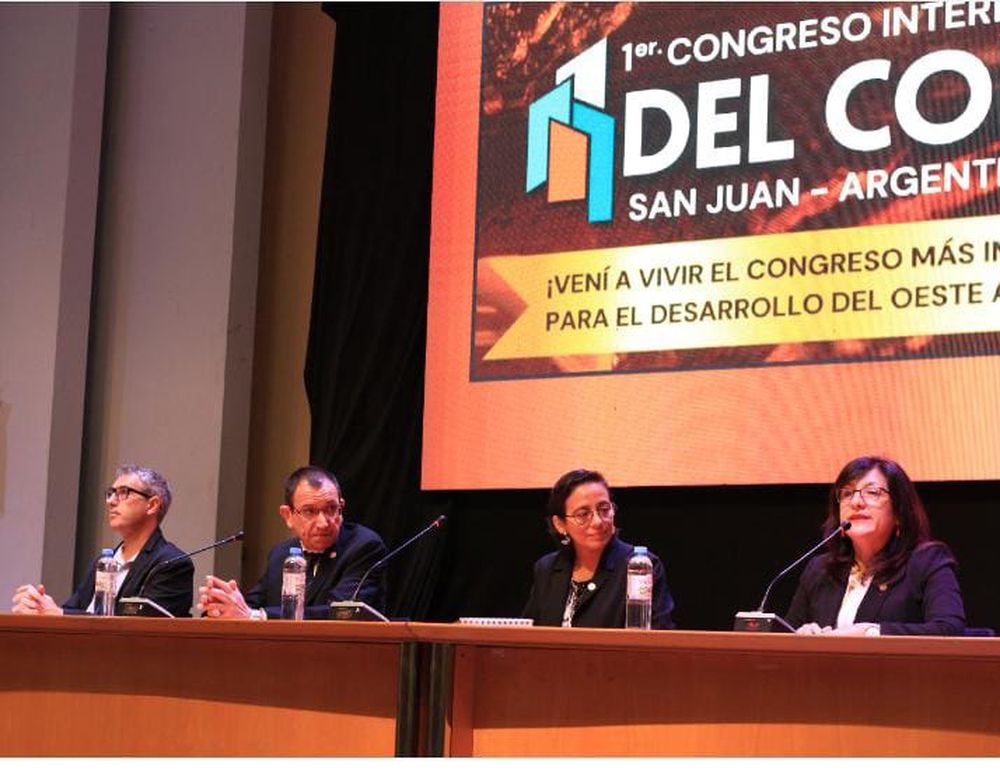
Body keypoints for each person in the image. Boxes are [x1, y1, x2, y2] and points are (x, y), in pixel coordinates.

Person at [786, 455, 966, 636]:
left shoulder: (926, 562)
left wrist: (870, 632)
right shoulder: (820, 570)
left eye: (872, 492)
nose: (856, 502)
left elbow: (949, 628)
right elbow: (785, 638)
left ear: (898, 513)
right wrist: (802, 633)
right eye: (847, 493)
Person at [198, 465, 386, 620]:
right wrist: (222, 606)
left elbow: (342, 613)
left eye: (331, 509)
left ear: (341, 507)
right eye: (309, 511)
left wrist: (256, 616)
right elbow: (251, 605)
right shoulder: (281, 554)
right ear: (287, 515)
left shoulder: (363, 546)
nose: (323, 522)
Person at [11, 464, 194, 617]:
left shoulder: (171, 564)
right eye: (111, 493)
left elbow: (138, 627)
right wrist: (40, 606)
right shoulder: (105, 561)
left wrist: (59, 614)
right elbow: (75, 609)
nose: (111, 501)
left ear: (152, 505)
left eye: (124, 493)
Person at [522, 469, 675, 629]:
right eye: (583, 514)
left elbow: (659, 639)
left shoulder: (639, 566)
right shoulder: (547, 568)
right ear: (560, 524)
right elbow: (529, 635)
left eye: (604, 510)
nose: (597, 521)